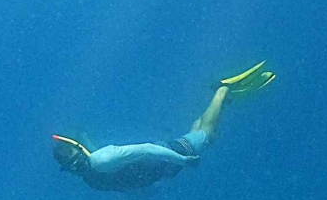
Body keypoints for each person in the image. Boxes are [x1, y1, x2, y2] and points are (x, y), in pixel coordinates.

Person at [52, 61, 276, 191]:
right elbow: (123, 182)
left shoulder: (102, 159)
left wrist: (182, 160)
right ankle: (221, 100)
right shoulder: (91, 178)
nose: (76, 166)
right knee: (194, 135)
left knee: (207, 135)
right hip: (163, 167)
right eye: (71, 166)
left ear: (81, 151)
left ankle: (221, 90)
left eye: (75, 160)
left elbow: (147, 149)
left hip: (164, 157)